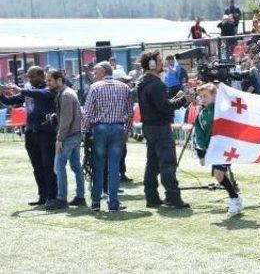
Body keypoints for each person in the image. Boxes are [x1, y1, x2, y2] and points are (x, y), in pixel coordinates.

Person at [137, 50, 191, 209]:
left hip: (149, 127)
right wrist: (183, 100)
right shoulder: (157, 84)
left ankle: (152, 197)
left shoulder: (142, 82)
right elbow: (165, 107)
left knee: (152, 164)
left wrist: (177, 98)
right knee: (168, 163)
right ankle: (173, 197)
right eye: (160, 60)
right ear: (152, 64)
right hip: (160, 128)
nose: (163, 63)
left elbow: (160, 104)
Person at [0, 66, 57, 206]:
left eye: (32, 76)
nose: (30, 80)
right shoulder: (29, 89)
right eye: (28, 77)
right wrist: (1, 94)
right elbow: (10, 101)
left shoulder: (48, 88)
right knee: (37, 166)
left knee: (48, 165)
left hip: (46, 132)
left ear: (41, 75)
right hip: (31, 132)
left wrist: (22, 90)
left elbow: (40, 94)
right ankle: (42, 196)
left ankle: (52, 197)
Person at [82, 61, 133, 212]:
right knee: (114, 167)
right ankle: (113, 202)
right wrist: (127, 131)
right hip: (118, 128)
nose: (94, 75)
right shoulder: (124, 87)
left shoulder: (95, 87)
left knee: (98, 166)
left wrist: (84, 131)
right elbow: (130, 113)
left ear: (103, 72)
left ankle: (96, 203)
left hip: (100, 128)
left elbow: (88, 112)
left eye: (96, 73)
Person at [193, 83, 242, 217]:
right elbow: (199, 135)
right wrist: (201, 154)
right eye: (201, 96)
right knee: (219, 175)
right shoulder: (201, 114)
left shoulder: (222, 109)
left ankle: (234, 199)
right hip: (212, 150)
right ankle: (236, 197)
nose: (203, 99)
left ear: (215, 96)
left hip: (226, 147)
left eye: (206, 96)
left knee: (218, 174)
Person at [46, 69, 85, 210]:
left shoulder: (66, 95)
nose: (47, 83)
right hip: (75, 134)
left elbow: (67, 120)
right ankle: (80, 197)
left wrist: (59, 139)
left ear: (59, 80)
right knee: (76, 167)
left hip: (69, 136)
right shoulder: (66, 92)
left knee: (58, 167)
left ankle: (62, 199)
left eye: (50, 80)